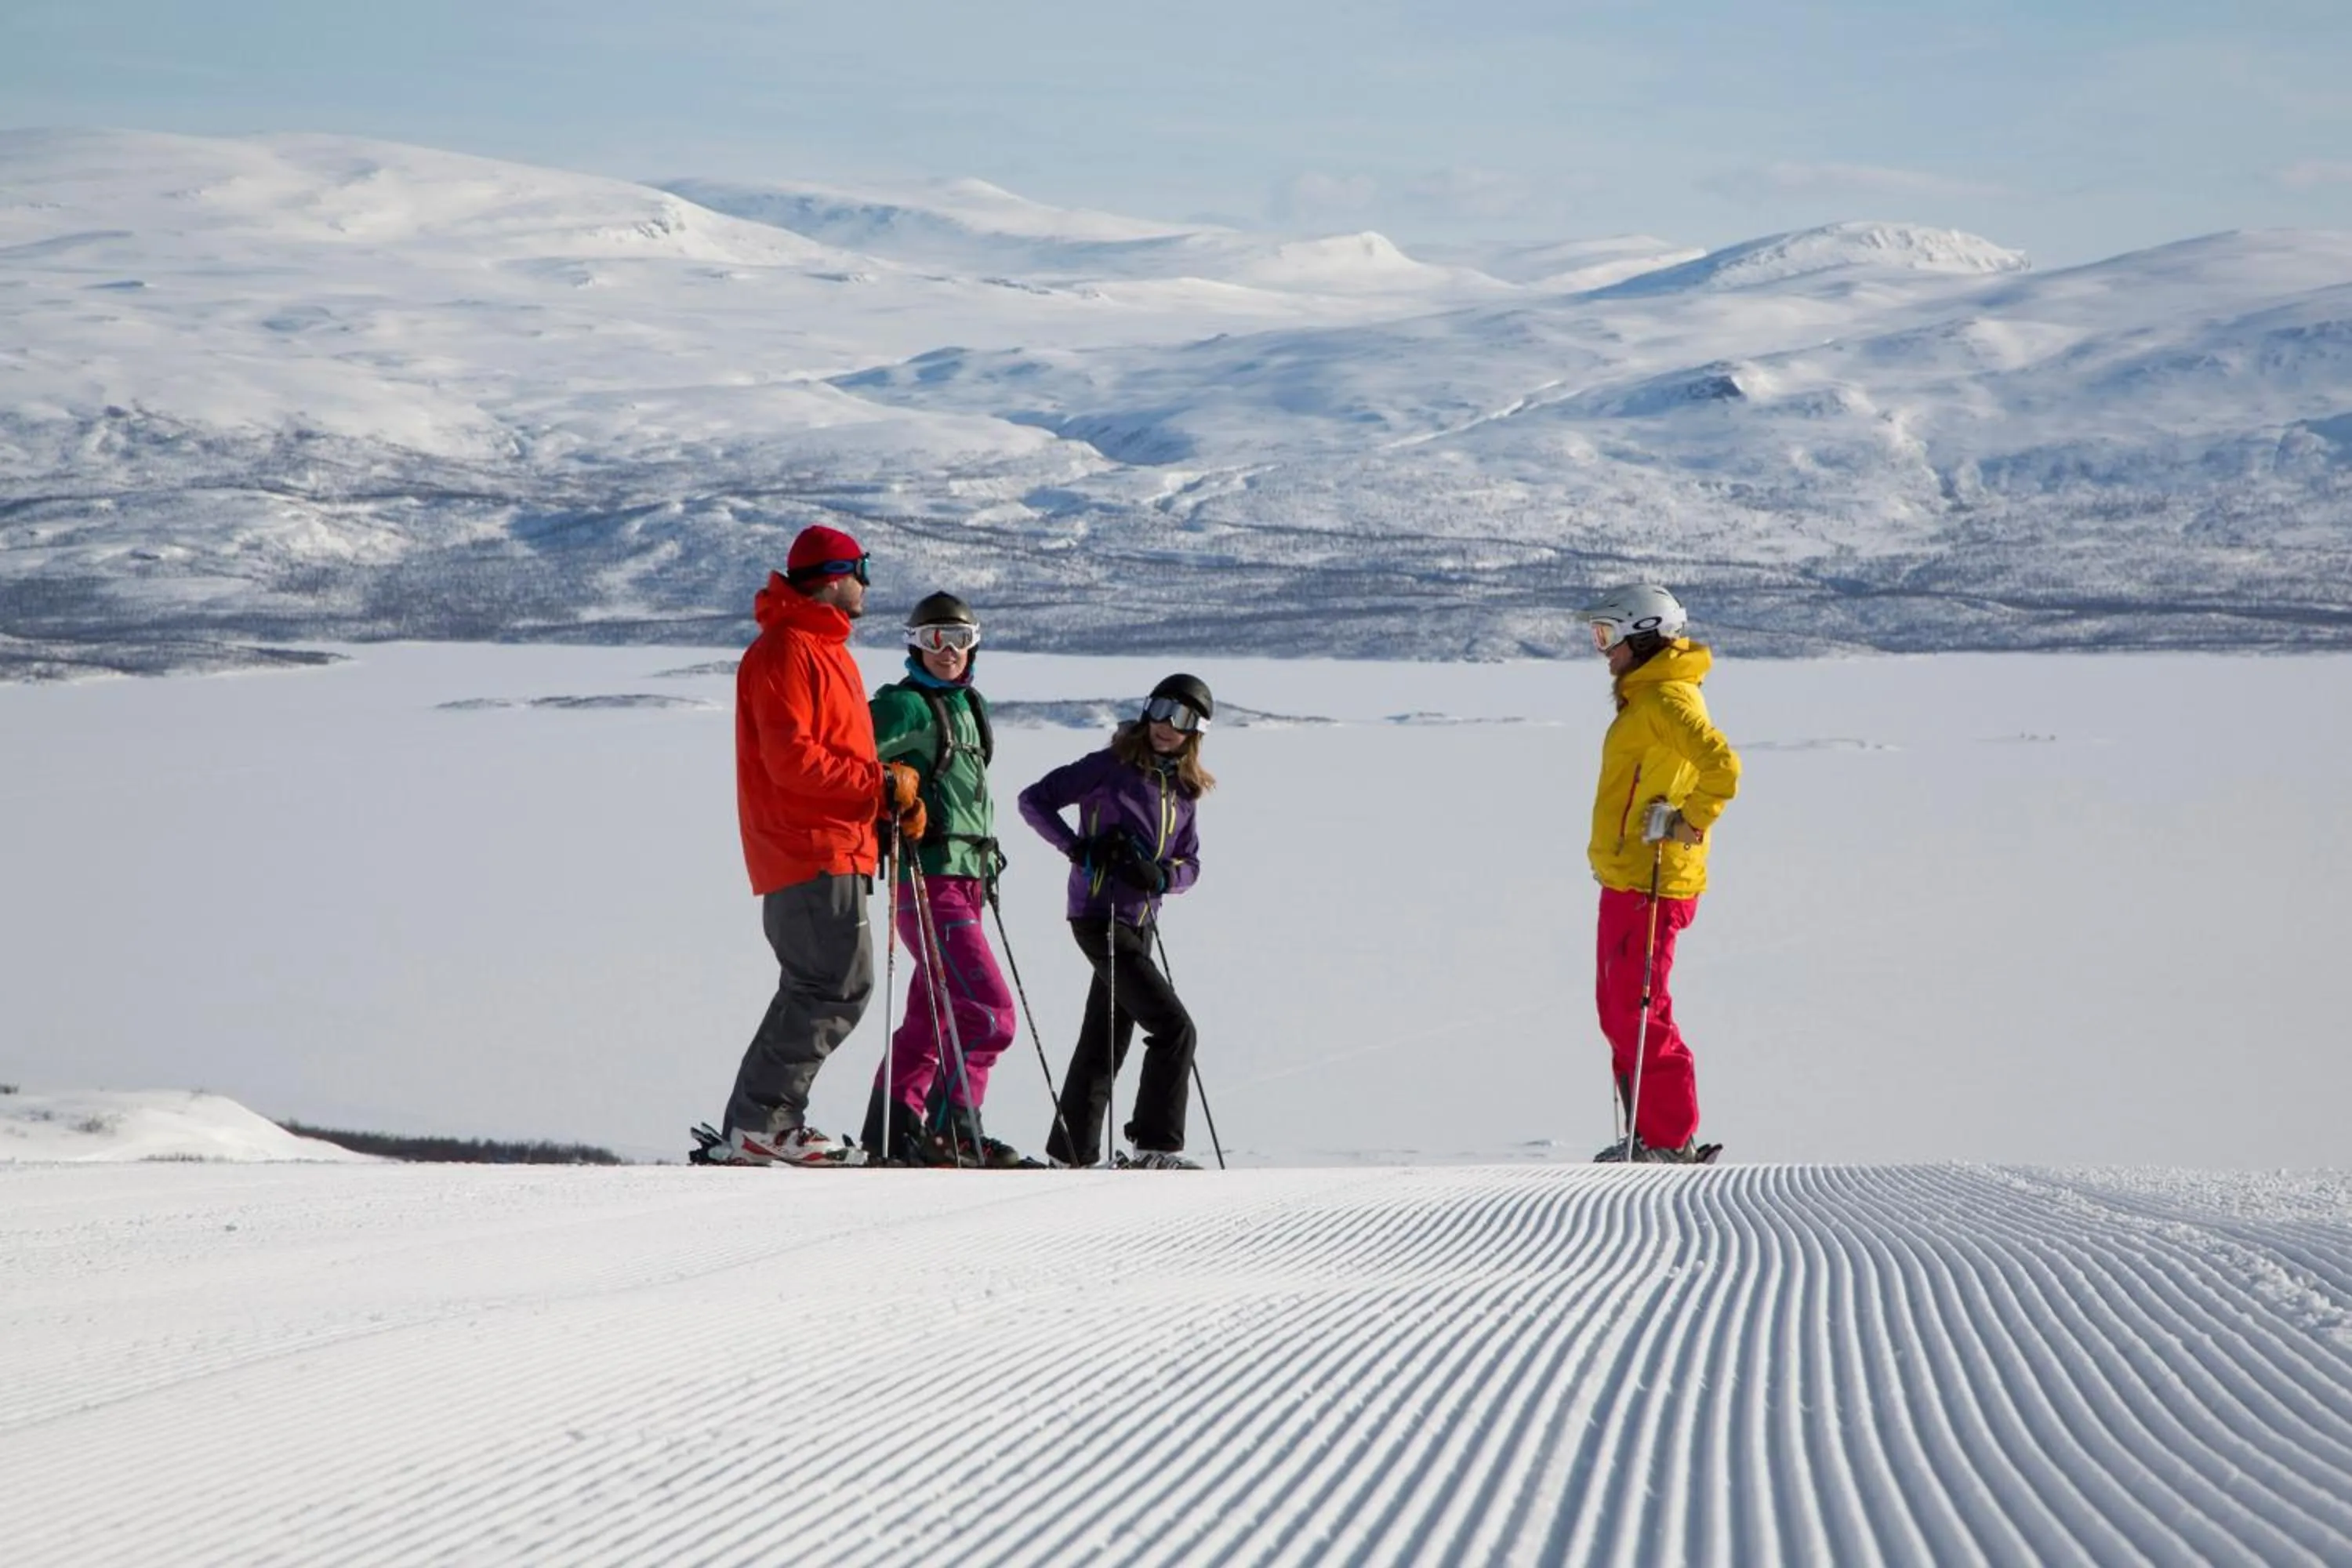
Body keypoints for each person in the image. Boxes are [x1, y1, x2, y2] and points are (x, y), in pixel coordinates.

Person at [700, 524, 926, 1167]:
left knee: (826, 984)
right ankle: (762, 1124)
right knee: (830, 985)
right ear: (834, 576)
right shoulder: (787, 651)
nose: (866, 585)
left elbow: (836, 757)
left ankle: (760, 1125)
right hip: (807, 849)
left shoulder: (824, 650)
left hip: (835, 843)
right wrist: (880, 786)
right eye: (862, 570)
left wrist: (884, 806)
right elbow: (793, 761)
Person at [860, 592, 1031, 1168]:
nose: (948, 651)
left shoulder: (969, 705)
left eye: (959, 638)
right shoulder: (907, 706)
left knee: (934, 1015)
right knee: (988, 1012)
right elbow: (848, 752)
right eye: (934, 638)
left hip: (967, 881)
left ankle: (893, 1129)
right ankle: (951, 1134)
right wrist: (889, 788)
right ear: (914, 644)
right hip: (929, 882)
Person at [1018, 674, 1214, 1171]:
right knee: (1174, 1029)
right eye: (1162, 709)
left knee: (1105, 1038)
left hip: (1139, 923)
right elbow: (1034, 799)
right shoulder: (1111, 767)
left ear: (1196, 732)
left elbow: (1190, 864)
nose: (1168, 725)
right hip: (1099, 916)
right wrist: (1078, 846)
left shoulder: (1183, 793)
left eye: (1183, 717)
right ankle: (1155, 1148)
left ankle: (1070, 1155)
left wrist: (1161, 877)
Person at [1577, 585, 1742, 1164]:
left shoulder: (1668, 700)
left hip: (1653, 881)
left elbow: (1722, 768)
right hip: (1625, 877)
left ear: (1641, 636)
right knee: (1618, 1008)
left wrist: (1686, 823)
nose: (1603, 651)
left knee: (1639, 1009)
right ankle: (1647, 1136)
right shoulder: (1646, 697)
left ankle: (1671, 1140)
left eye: (1607, 637)